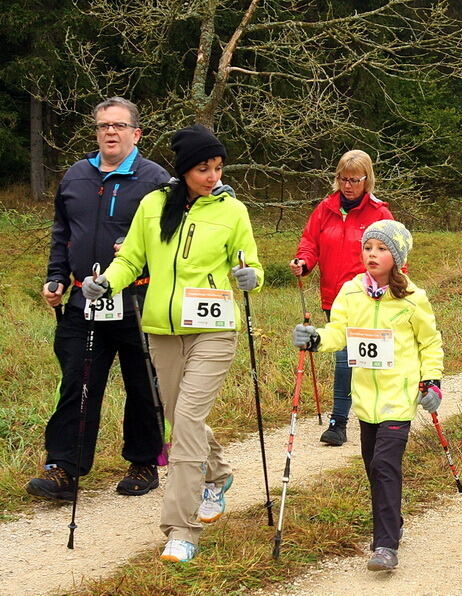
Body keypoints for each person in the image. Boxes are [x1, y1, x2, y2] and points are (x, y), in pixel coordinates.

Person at [83, 124, 263, 563]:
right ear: (184, 170)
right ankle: (217, 474)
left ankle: (181, 530)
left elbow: (251, 265)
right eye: (204, 168)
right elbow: (130, 259)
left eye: (218, 168)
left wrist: (250, 277)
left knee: (185, 422)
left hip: (213, 330)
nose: (213, 176)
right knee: (182, 417)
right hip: (162, 330)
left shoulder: (232, 211)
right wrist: (105, 282)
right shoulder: (153, 205)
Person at [28, 97, 169, 502]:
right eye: (104, 126)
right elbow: (62, 231)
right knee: (78, 382)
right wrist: (56, 277)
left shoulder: (155, 179)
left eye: (119, 126)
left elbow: (173, 233)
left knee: (142, 384)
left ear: (136, 133)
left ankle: (143, 462)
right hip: (82, 299)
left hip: (138, 298)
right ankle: (63, 470)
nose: (110, 132)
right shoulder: (75, 176)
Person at [293, 220, 443, 572]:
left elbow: (430, 342)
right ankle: (393, 525)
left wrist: (431, 381)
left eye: (382, 249)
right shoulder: (351, 292)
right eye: (368, 248)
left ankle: (385, 545)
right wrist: (315, 338)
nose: (372, 254)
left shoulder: (412, 297)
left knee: (385, 466)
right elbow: (339, 333)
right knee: (373, 470)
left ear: (398, 256)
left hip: (399, 398)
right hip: (365, 401)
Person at [289, 150, 394, 447]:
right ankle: (340, 421)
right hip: (334, 298)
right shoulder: (325, 209)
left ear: (367, 180)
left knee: (363, 360)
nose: (347, 185)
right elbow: (310, 242)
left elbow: (396, 253)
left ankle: (367, 417)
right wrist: (303, 262)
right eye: (342, 179)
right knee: (346, 358)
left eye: (354, 180)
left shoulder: (379, 213)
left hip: (371, 298)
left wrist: (396, 289)